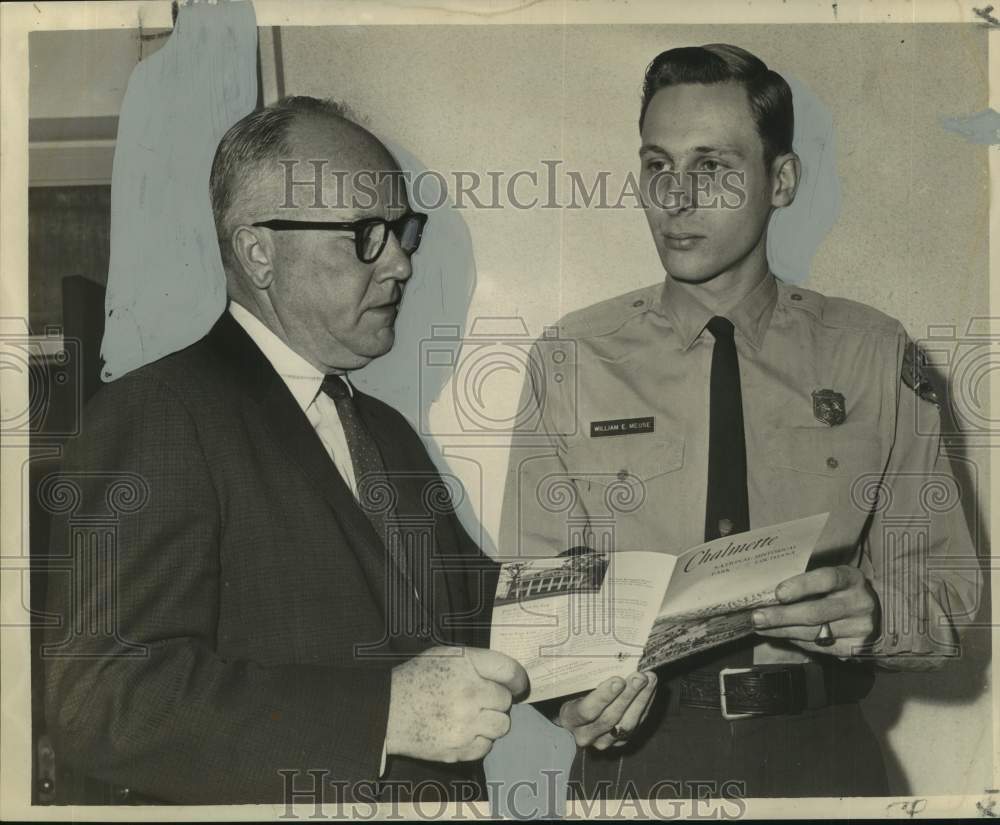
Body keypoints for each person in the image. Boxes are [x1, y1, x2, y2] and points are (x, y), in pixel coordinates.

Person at [42, 97, 654, 805]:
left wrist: (575, 686)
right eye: (365, 233)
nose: (399, 262)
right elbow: (104, 700)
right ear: (258, 251)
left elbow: (473, 609)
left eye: (401, 231)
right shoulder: (158, 414)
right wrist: (384, 712)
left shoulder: (383, 431)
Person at [500, 45, 981, 799]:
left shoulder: (874, 353)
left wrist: (876, 613)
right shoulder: (571, 358)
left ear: (779, 180)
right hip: (639, 759)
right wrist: (574, 700)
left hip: (821, 759)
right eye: (657, 166)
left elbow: (951, 588)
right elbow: (538, 601)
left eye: (713, 168)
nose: (676, 198)